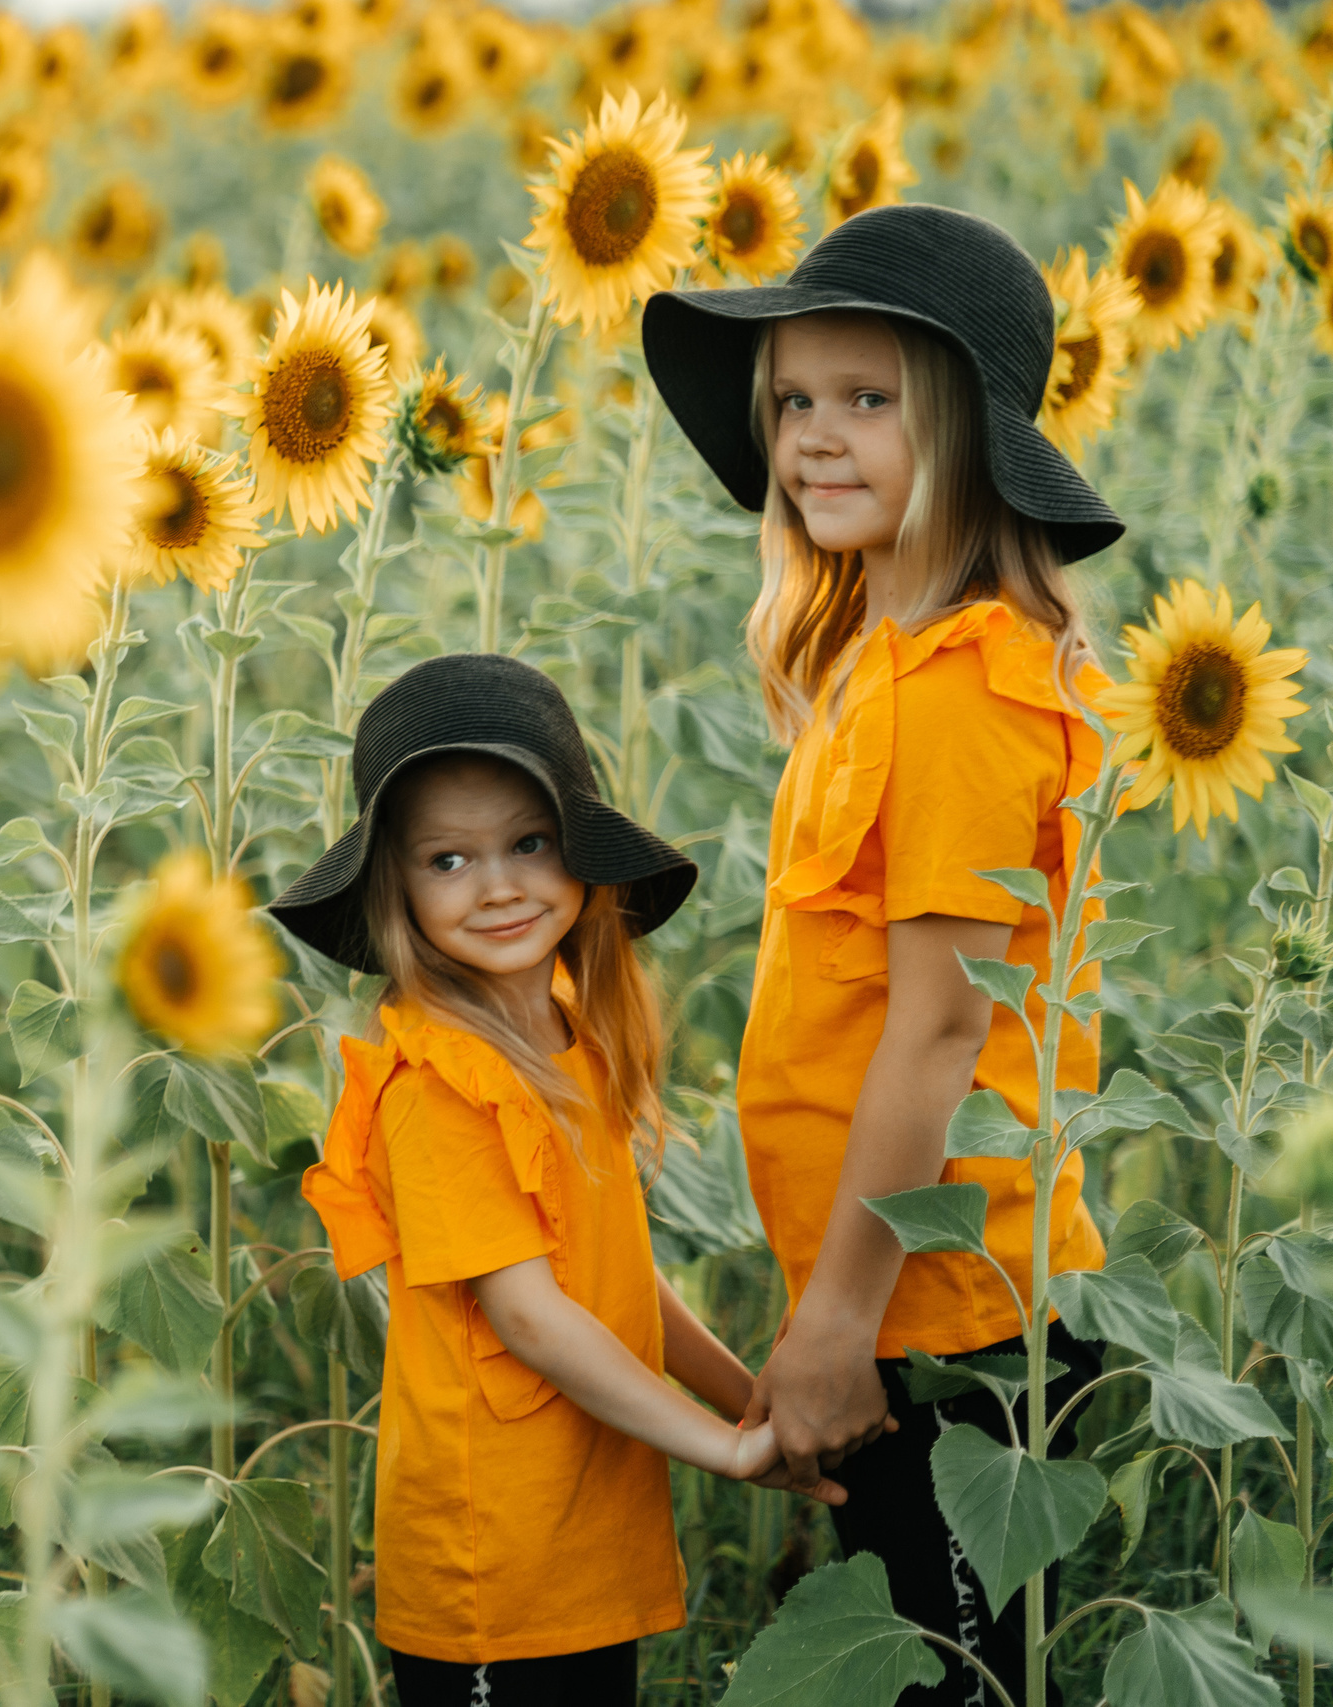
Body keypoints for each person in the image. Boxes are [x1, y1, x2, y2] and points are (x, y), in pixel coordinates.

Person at [640, 202, 1121, 1705]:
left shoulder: (968, 687)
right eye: (794, 399)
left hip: (956, 1321)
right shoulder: (879, 657)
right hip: (896, 1294)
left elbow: (936, 1032)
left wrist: (840, 1322)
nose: (813, 438)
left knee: (957, 1676)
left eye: (868, 400)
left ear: (969, 438)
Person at [272, 654, 844, 1707]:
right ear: (394, 889)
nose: (497, 886)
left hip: (581, 1539)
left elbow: (611, 1273)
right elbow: (531, 1316)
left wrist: (745, 1398)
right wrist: (721, 1451)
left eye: (528, 844)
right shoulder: (437, 1082)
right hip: (493, 1559)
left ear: (578, 853)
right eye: (447, 861)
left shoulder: (569, 1039)